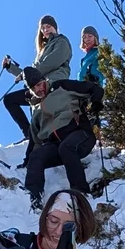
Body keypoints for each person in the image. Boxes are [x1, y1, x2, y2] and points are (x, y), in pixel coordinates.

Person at [21, 63, 99, 209]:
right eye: (34, 88)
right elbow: (35, 140)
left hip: (80, 134)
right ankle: (33, 196)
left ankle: (81, 192)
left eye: (39, 84)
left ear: (44, 80)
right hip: (55, 144)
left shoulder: (61, 87)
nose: (39, 89)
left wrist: (96, 103)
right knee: (37, 156)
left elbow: (92, 89)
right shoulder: (36, 111)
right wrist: (27, 160)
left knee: (66, 147)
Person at [0, 16, 73, 141]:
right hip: (38, 86)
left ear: (55, 28)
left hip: (53, 83)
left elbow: (52, 62)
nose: (45, 30)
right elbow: (31, 73)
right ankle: (30, 134)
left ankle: (48, 136)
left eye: (48, 27)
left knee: (43, 110)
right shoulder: (42, 50)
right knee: (9, 100)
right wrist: (10, 67)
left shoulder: (61, 41)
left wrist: (28, 75)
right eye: (43, 28)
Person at [77, 26, 106, 92]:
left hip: (95, 86)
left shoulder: (100, 52)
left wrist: (96, 77)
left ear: (95, 38)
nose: (87, 39)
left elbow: (106, 68)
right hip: (82, 88)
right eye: (84, 37)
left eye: (90, 36)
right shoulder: (84, 60)